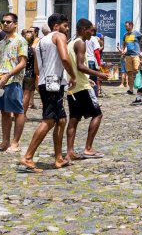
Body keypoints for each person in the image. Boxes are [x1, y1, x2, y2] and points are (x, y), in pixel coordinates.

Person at [20, 14, 77, 172]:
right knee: (50, 120)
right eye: (65, 26)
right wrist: (72, 75)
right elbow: (65, 58)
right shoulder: (59, 36)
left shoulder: (39, 43)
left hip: (45, 82)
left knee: (61, 120)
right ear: (57, 26)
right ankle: (28, 157)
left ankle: (58, 158)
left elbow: (37, 69)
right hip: (54, 83)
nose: (67, 29)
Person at [66, 18, 110, 161]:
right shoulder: (81, 43)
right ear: (84, 30)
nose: (92, 33)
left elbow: (73, 66)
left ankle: (70, 151)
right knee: (97, 115)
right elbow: (80, 65)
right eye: (91, 30)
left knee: (74, 119)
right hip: (81, 87)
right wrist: (98, 74)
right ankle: (88, 148)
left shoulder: (70, 43)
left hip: (73, 86)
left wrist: (86, 77)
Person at [0, 12, 28, 152]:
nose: (5, 24)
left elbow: (22, 63)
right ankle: (5, 141)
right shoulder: (1, 43)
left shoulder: (20, 40)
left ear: (15, 24)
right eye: (4, 22)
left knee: (18, 111)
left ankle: (15, 142)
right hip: (1, 81)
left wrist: (8, 75)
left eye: (8, 22)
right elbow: (2, 61)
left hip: (13, 80)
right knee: (4, 111)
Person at [21, 27, 38, 113]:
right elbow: (35, 64)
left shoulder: (20, 50)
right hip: (30, 74)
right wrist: (37, 73)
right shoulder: (33, 50)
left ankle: (14, 113)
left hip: (20, 73)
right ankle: (23, 114)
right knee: (26, 95)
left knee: (19, 94)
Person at [122, 20, 140, 96]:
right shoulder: (125, 35)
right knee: (129, 72)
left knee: (137, 71)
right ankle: (131, 89)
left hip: (136, 55)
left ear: (131, 25)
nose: (126, 27)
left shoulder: (137, 33)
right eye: (125, 26)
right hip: (128, 56)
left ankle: (140, 88)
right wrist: (123, 51)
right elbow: (124, 44)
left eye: (127, 26)